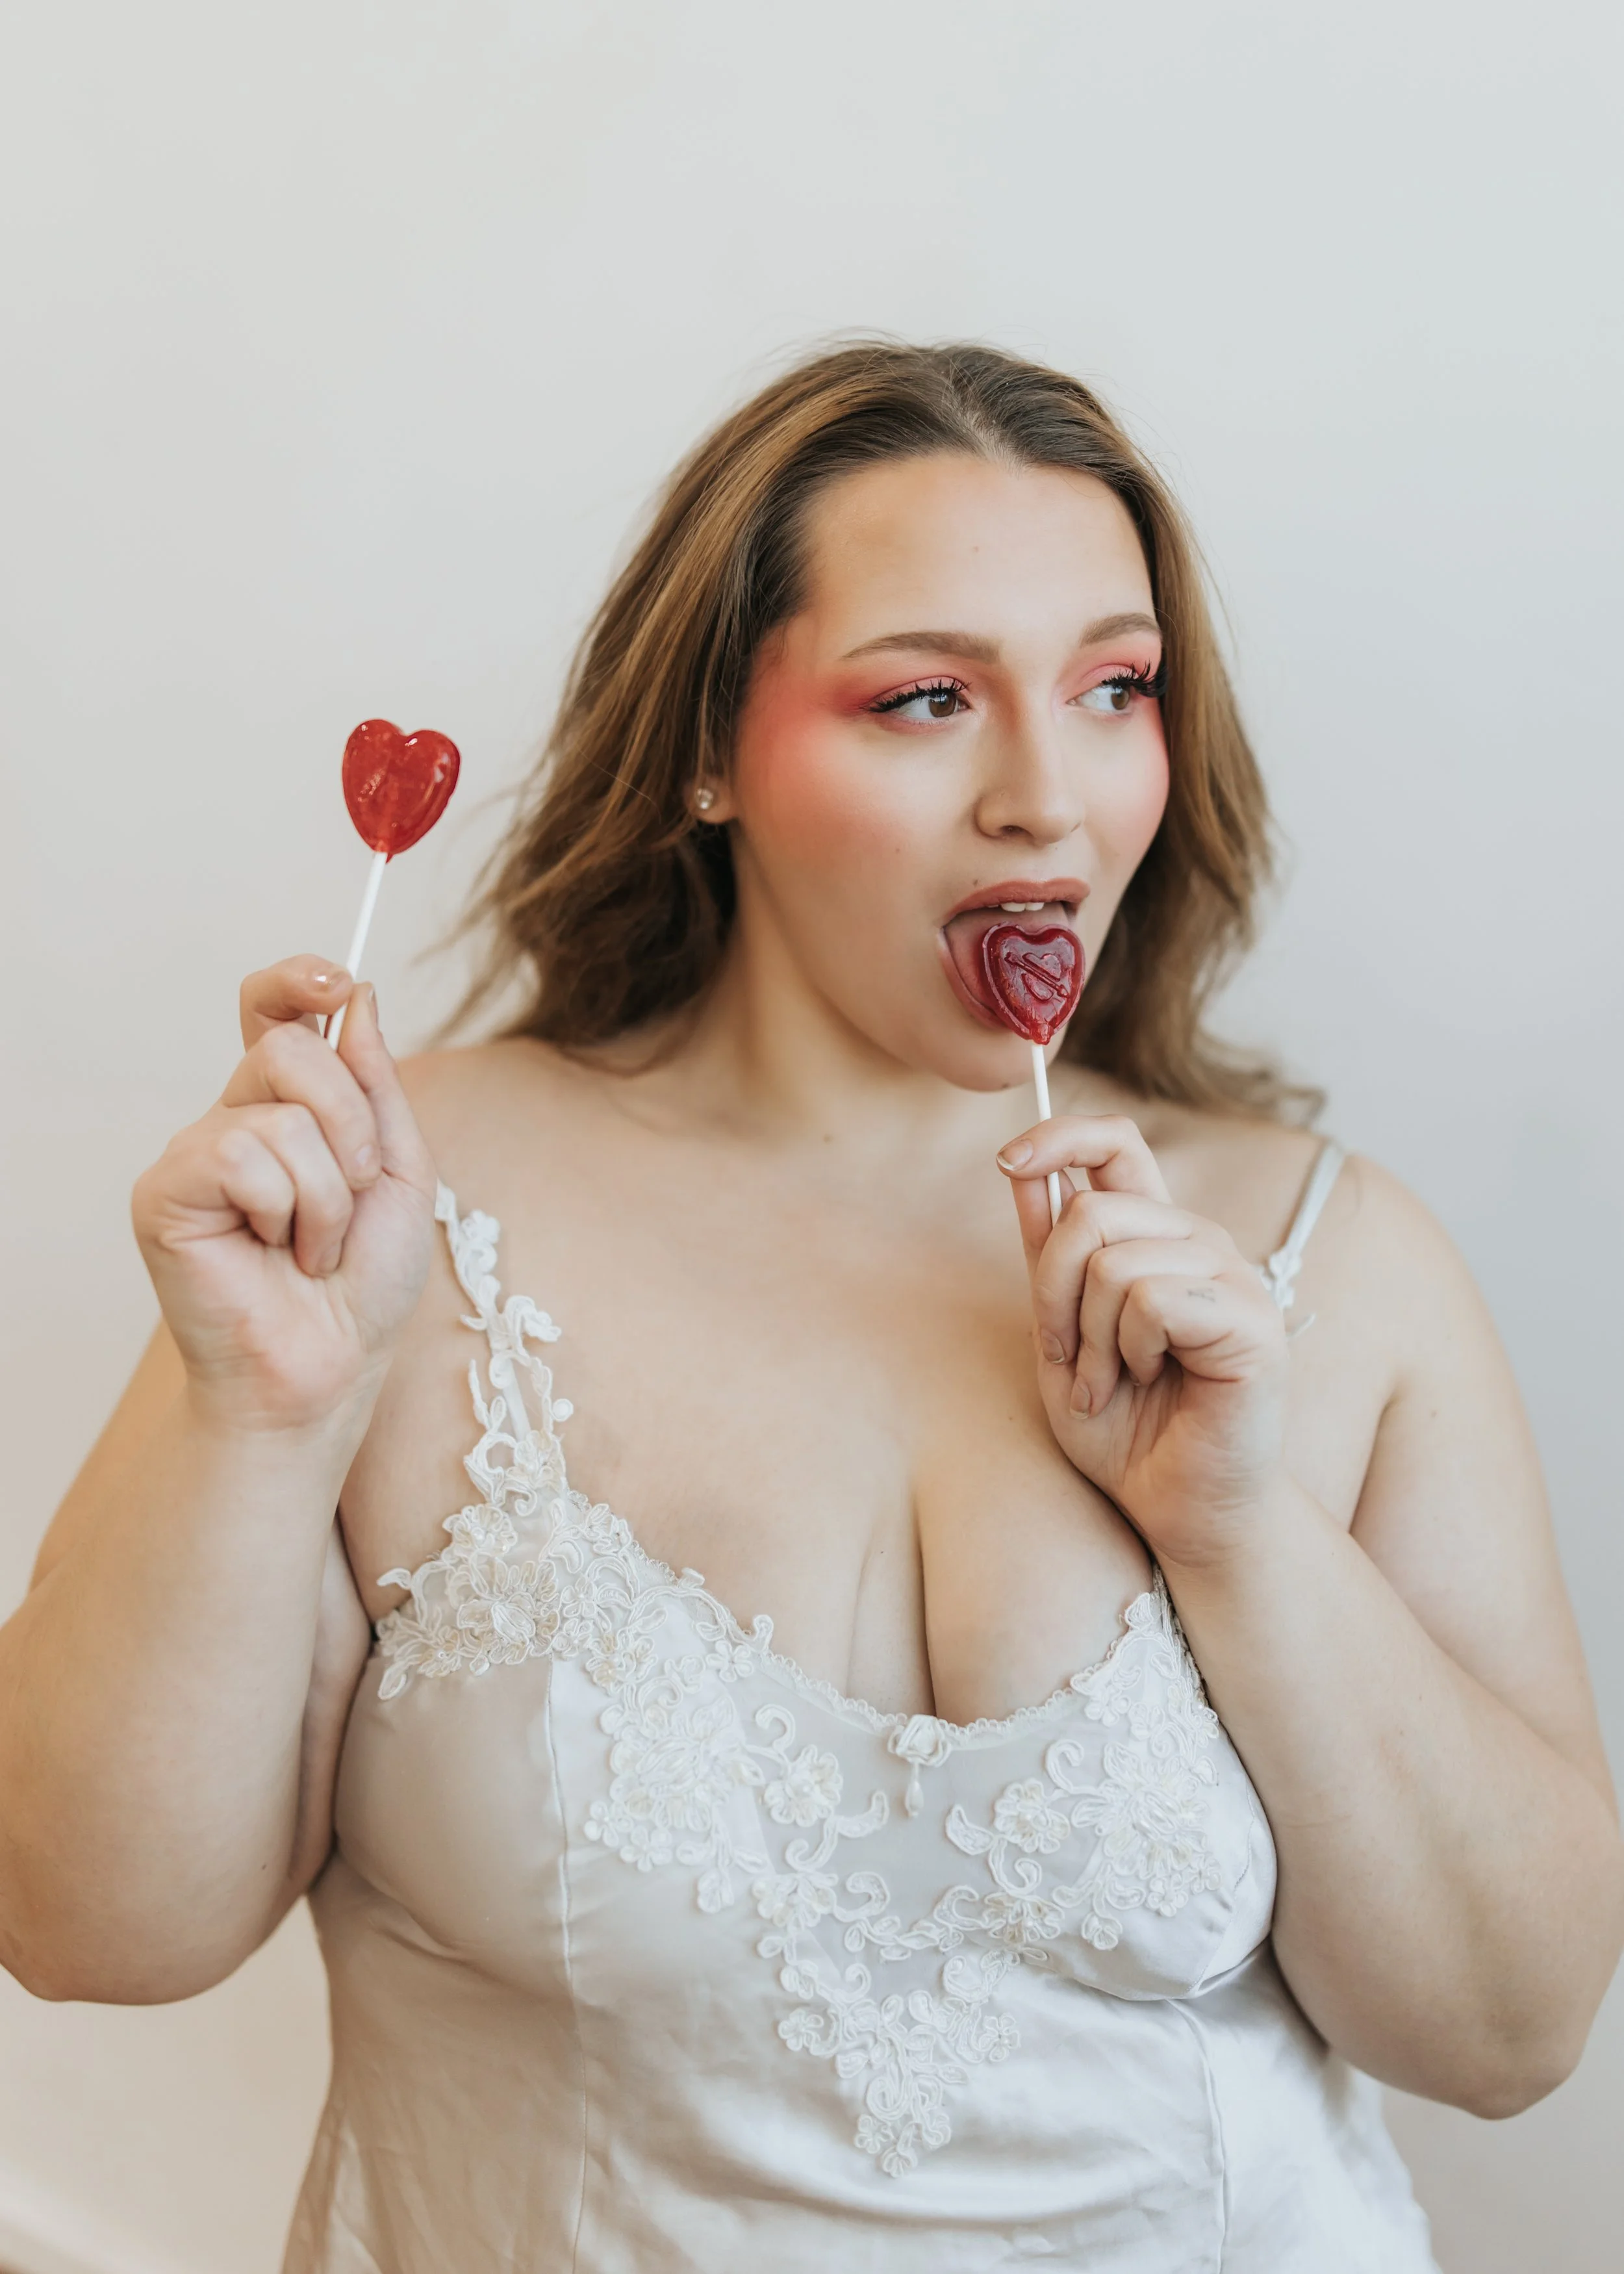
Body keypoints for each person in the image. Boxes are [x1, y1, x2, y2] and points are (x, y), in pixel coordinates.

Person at [4, 342, 1620, 2273]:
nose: (1045, 797)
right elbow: (84, 1922)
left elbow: (1509, 2032)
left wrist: (1237, 1523)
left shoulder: (1327, 1263)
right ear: (709, 748)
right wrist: (254, 1416)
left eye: (1113, 687)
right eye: (926, 698)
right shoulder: (384, 1201)